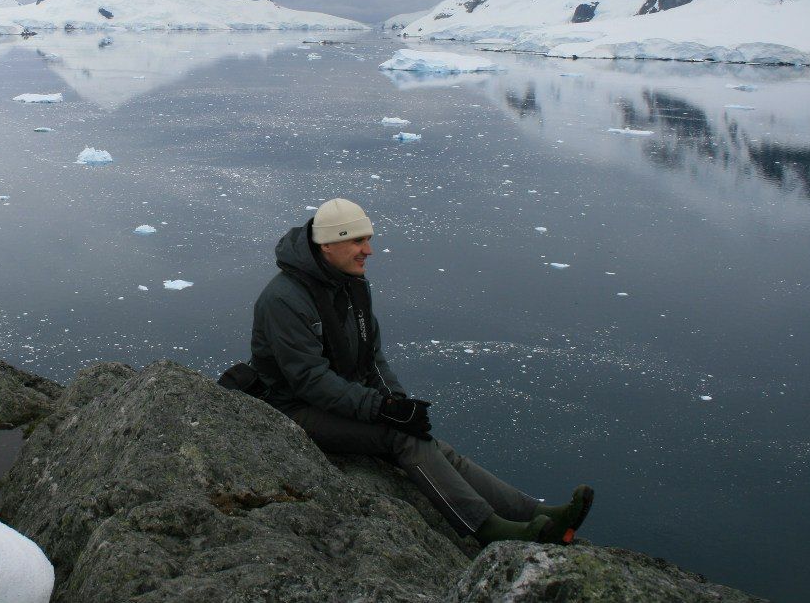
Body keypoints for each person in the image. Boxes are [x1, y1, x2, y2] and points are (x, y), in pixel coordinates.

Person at [249, 197, 592, 544]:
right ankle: (486, 529)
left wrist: (397, 403)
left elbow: (371, 359)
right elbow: (310, 380)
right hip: (295, 409)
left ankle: (535, 514)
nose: (368, 250)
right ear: (327, 246)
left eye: (368, 239)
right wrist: (382, 411)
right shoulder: (285, 299)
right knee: (400, 437)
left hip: (334, 401)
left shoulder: (350, 286)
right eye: (357, 241)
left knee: (425, 440)